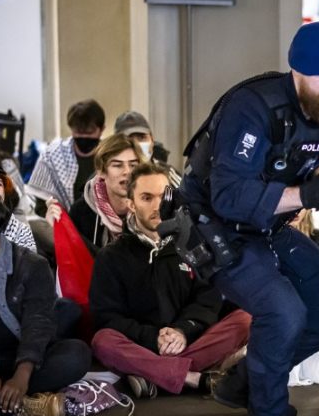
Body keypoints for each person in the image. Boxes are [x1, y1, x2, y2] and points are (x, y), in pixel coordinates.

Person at [178, 21, 319, 416]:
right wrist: (308, 193)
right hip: (215, 227)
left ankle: (246, 379)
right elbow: (228, 196)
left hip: (268, 227)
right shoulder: (253, 106)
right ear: (298, 73)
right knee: (283, 311)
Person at [88, 163, 251, 398]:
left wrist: (181, 332)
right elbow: (107, 317)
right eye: (146, 198)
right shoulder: (111, 257)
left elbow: (208, 300)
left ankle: (154, 376)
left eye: (163, 197)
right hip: (142, 346)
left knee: (245, 320)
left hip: (188, 342)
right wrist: (154, 338)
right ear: (131, 204)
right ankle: (192, 378)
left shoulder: (194, 246)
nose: (157, 206)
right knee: (102, 341)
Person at [0, 187, 91, 416]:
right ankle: (24, 406)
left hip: (20, 357)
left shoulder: (31, 265)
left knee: (76, 354)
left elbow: (38, 324)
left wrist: (22, 376)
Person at [26, 99, 106, 212]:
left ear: (102, 129)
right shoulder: (52, 155)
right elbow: (41, 206)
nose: (83, 136)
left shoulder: (110, 156)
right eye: (78, 131)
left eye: (89, 131)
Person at [68, 134, 142, 252]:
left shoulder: (151, 207)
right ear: (101, 171)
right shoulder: (80, 213)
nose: (127, 172)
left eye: (133, 165)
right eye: (117, 165)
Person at [113, 110, 181, 186]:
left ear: (152, 140)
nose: (137, 144)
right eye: (129, 139)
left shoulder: (167, 173)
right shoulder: (109, 176)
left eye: (142, 137)